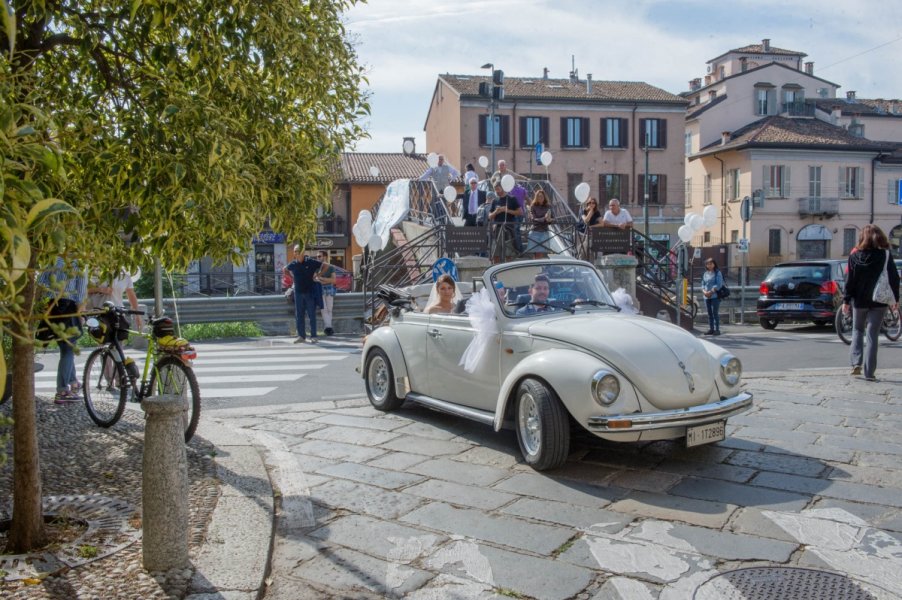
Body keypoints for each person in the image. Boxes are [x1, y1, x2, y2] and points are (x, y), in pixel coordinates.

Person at [843, 224, 900, 381]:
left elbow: (850, 281)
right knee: (872, 334)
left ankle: (856, 363)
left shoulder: (854, 256)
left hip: (859, 301)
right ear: (879, 237)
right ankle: (870, 373)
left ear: (862, 238)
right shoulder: (886, 255)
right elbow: (894, 278)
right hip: (879, 301)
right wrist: (895, 300)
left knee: (857, 330)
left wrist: (846, 300)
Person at [37, 257, 87, 404]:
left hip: (51, 308)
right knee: (68, 350)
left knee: (65, 348)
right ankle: (62, 390)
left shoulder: (52, 260)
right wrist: (81, 316)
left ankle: (73, 382)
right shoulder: (79, 263)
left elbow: (40, 283)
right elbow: (81, 294)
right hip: (68, 309)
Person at [283, 245, 330, 343]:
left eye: (299, 251)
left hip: (310, 292)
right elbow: (285, 269)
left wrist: (318, 275)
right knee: (299, 315)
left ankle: (313, 336)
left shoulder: (310, 262)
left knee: (311, 315)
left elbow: (325, 265)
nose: (297, 253)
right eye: (295, 251)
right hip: (298, 293)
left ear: (303, 252)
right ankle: (301, 336)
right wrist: (292, 278)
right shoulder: (294, 264)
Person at [488, 182, 522, 262]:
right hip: (497, 229)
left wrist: (507, 210)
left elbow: (520, 212)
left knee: (508, 254)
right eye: (495, 190)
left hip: (508, 229)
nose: (497, 192)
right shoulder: (495, 200)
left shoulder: (511, 199)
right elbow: (489, 216)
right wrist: (496, 211)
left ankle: (508, 271)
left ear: (503, 188)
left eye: (498, 190)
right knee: (495, 254)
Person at [315, 251, 337, 336]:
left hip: (329, 290)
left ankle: (328, 327)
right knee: (323, 309)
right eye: (317, 257)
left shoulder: (331, 267)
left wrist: (322, 279)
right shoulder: (316, 267)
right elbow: (315, 279)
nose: (318, 258)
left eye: (319, 256)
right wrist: (326, 280)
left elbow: (334, 280)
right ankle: (329, 327)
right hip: (320, 290)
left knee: (329, 309)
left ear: (325, 257)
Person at [700, 258, 724, 336]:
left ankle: (717, 329)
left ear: (714, 264)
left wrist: (711, 292)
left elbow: (719, 284)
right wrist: (704, 292)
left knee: (715, 313)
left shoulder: (717, 273)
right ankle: (711, 329)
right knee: (709, 313)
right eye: (708, 264)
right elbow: (703, 284)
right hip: (706, 296)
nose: (709, 265)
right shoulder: (705, 273)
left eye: (711, 264)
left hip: (715, 296)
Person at [527, 189, 553, 258]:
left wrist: (549, 219)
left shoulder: (548, 206)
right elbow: (533, 220)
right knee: (534, 252)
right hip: (535, 231)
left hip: (544, 231)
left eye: (541, 196)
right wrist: (544, 218)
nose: (540, 198)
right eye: (538, 196)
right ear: (536, 197)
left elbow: (552, 220)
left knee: (540, 252)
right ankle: (535, 266)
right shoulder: (533, 206)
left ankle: (538, 267)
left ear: (544, 197)